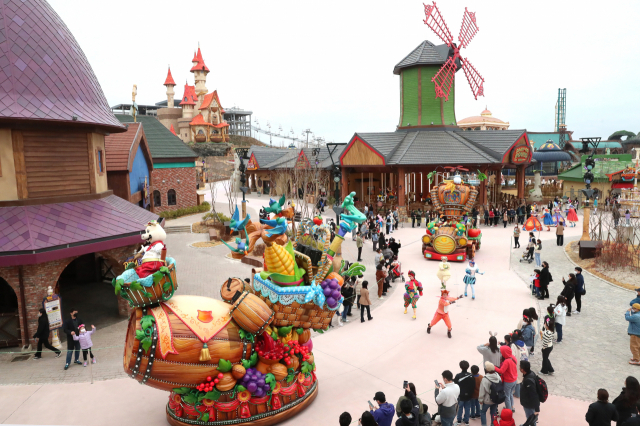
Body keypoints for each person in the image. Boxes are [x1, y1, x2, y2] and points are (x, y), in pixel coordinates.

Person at [494, 346, 518, 412]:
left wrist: (494, 367)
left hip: (508, 381)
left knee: (507, 396)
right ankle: (512, 407)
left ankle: (509, 410)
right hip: (514, 379)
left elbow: (501, 371)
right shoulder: (513, 357)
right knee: (510, 394)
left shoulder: (507, 361)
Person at [478, 361, 501, 426]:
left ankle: (484, 424)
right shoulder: (498, 376)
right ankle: (493, 424)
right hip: (496, 398)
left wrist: (480, 400)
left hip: (487, 399)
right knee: (493, 412)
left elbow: (482, 391)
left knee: (483, 412)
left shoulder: (485, 379)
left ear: (487, 370)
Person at [454, 360, 475, 425]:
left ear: (460, 367)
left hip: (460, 396)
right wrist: (471, 394)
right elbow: (473, 386)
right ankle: (466, 421)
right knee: (467, 408)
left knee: (460, 408)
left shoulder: (458, 375)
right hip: (468, 396)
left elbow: (455, 385)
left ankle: (459, 421)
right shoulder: (471, 376)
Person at [519, 361, 540, 425]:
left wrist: (537, 409)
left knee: (531, 420)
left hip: (529, 404)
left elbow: (534, 394)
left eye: (520, 366)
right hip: (528, 403)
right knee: (531, 419)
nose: (519, 367)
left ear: (522, 369)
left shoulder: (528, 380)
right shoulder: (531, 373)